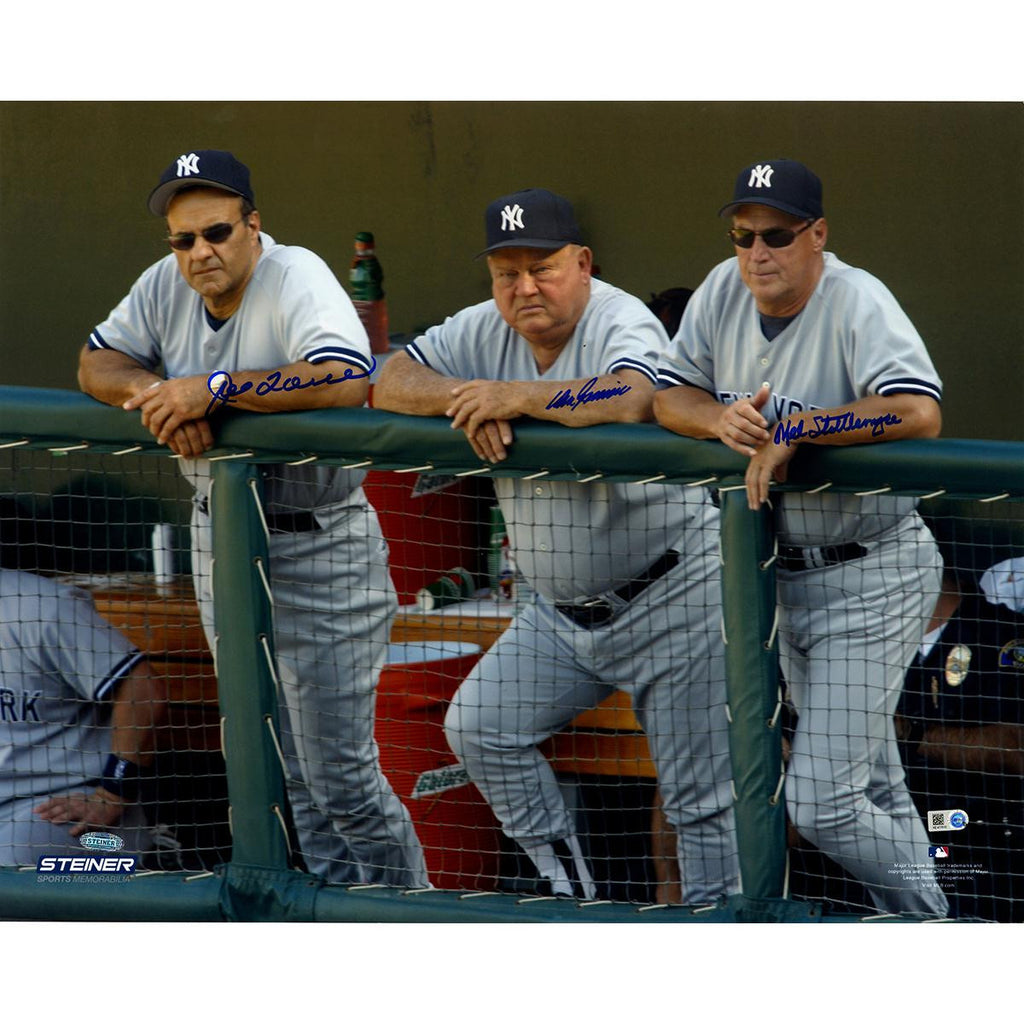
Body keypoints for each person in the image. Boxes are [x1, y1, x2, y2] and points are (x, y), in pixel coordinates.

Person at [373, 187, 738, 902]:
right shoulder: (486, 327)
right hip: (559, 619)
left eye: (542, 267)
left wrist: (514, 399)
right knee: (480, 728)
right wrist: (465, 399)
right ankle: (575, 902)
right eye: (507, 273)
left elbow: (631, 396)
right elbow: (387, 378)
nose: (524, 287)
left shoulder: (618, 316)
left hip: (672, 595)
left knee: (702, 806)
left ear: (583, 262)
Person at [77, 149, 427, 887]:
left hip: (318, 542)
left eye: (217, 232)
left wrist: (215, 389)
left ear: (253, 226)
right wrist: (159, 394)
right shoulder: (164, 285)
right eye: (184, 239)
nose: (200, 252)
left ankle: (409, 912)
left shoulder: (295, 275)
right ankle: (339, 910)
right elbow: (95, 362)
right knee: (278, 773)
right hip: (222, 538)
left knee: (340, 779)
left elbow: (343, 376)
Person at [654, 158, 948, 917]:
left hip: (870, 571)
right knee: (873, 783)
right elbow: (666, 391)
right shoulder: (724, 288)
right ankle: (922, 933)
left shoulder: (857, 300)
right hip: (778, 576)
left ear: (817, 234)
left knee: (821, 801)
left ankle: (937, 926)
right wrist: (714, 419)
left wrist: (805, 429)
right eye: (743, 235)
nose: (757, 252)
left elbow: (918, 411)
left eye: (777, 235)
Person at [0, 567, 165, 865]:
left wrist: (113, 793)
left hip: (84, 822)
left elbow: (143, 691)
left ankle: (144, 859)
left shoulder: (40, 607)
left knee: (16, 864)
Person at [897, 558, 1024, 921]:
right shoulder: (870, 641)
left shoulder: (997, 633)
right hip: (901, 839)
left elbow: (1015, 749)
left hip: (986, 844)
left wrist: (912, 734)